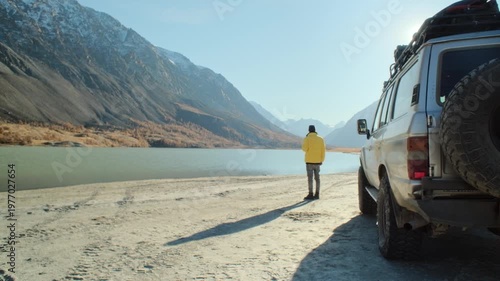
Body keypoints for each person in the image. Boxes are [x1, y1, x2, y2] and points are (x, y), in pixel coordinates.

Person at [301, 125, 326, 200]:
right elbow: (323, 151)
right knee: (317, 178)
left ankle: (310, 194)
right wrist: (322, 160)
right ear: (315, 130)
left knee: (310, 178)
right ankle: (317, 194)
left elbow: (304, 149)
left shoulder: (307, 138)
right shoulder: (321, 139)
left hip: (309, 161)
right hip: (318, 161)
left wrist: (306, 140)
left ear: (309, 130)